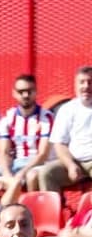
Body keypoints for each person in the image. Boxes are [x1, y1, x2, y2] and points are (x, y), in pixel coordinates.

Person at [0, 74, 54, 194]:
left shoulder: (46, 117)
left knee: (31, 176)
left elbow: (43, 154)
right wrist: (7, 175)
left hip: (37, 164)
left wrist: (22, 173)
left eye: (29, 91)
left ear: (36, 92)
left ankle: (33, 210)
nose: (25, 95)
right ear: (14, 93)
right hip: (16, 163)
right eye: (21, 91)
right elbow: (4, 152)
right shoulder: (8, 118)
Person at [36, 65, 92, 194]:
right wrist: (70, 164)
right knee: (47, 173)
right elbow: (59, 144)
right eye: (82, 82)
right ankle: (53, 212)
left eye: (90, 82)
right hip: (74, 161)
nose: (86, 86)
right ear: (75, 85)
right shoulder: (67, 109)